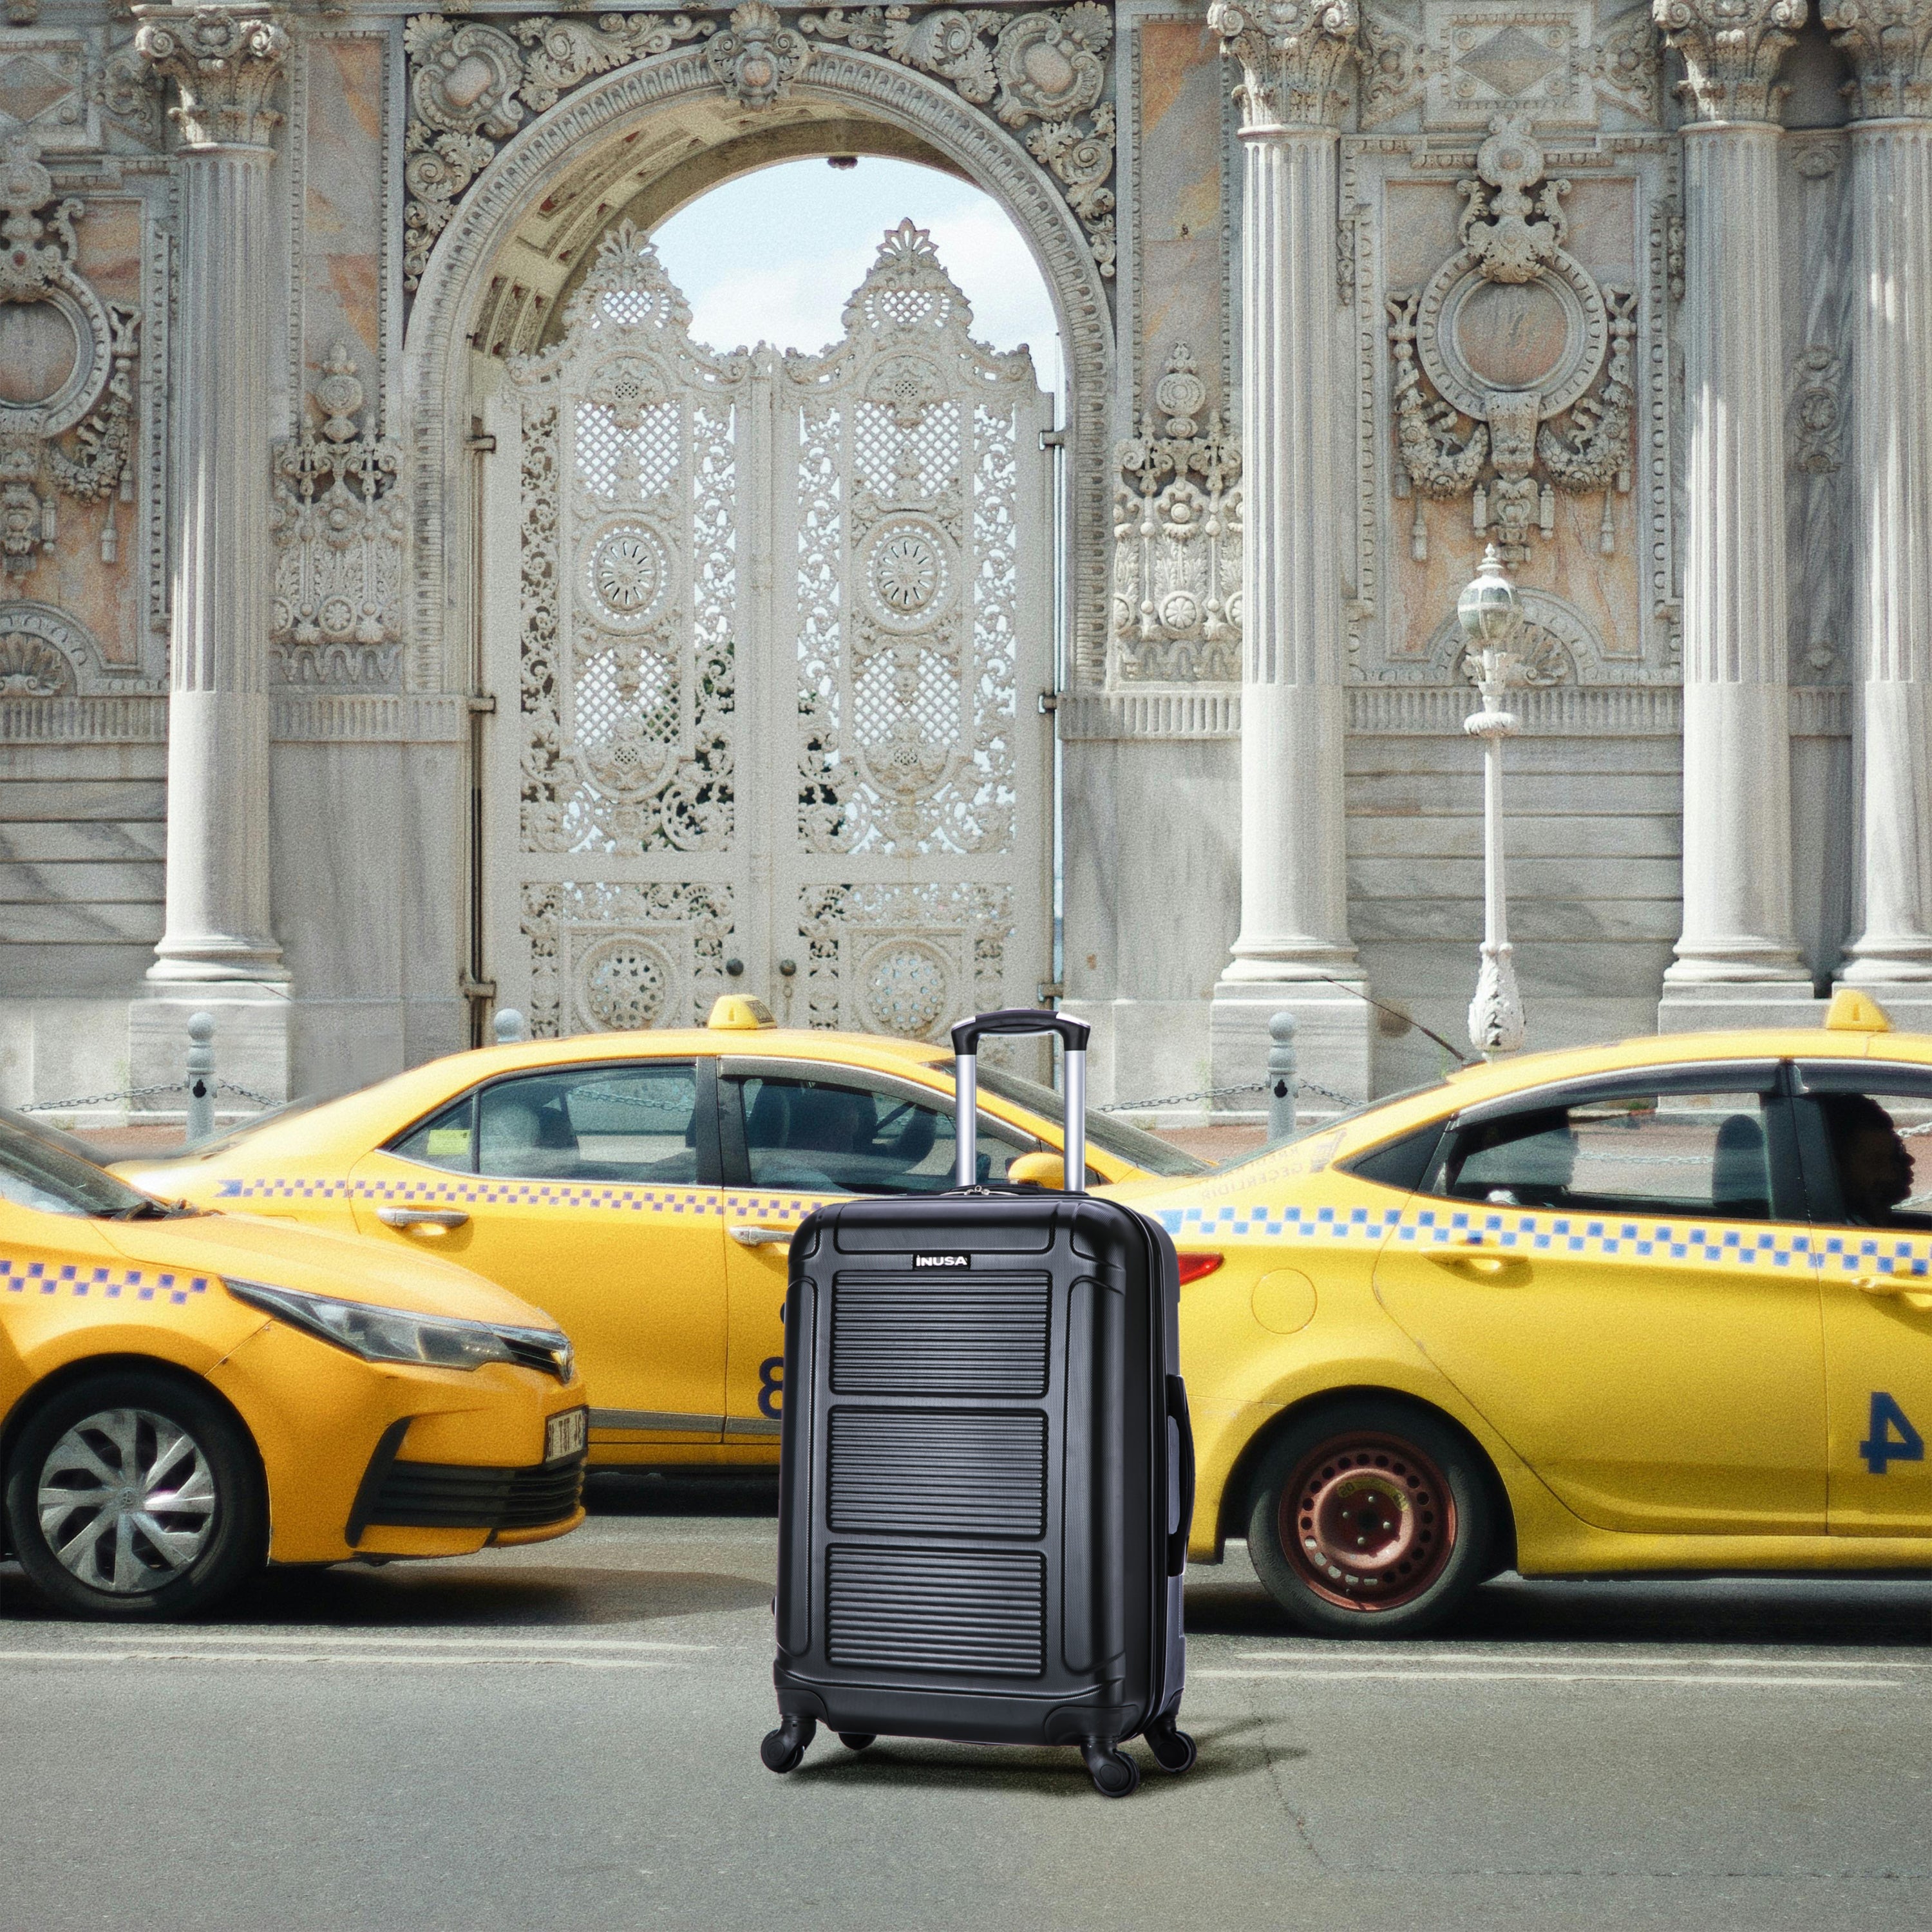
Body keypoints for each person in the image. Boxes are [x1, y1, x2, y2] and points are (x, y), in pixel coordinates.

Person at [1817, 1092, 1916, 1226]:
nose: (1890, 1173)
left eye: (1894, 1157)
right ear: (1836, 1168)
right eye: (1876, 1163)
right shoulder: (1845, 1235)